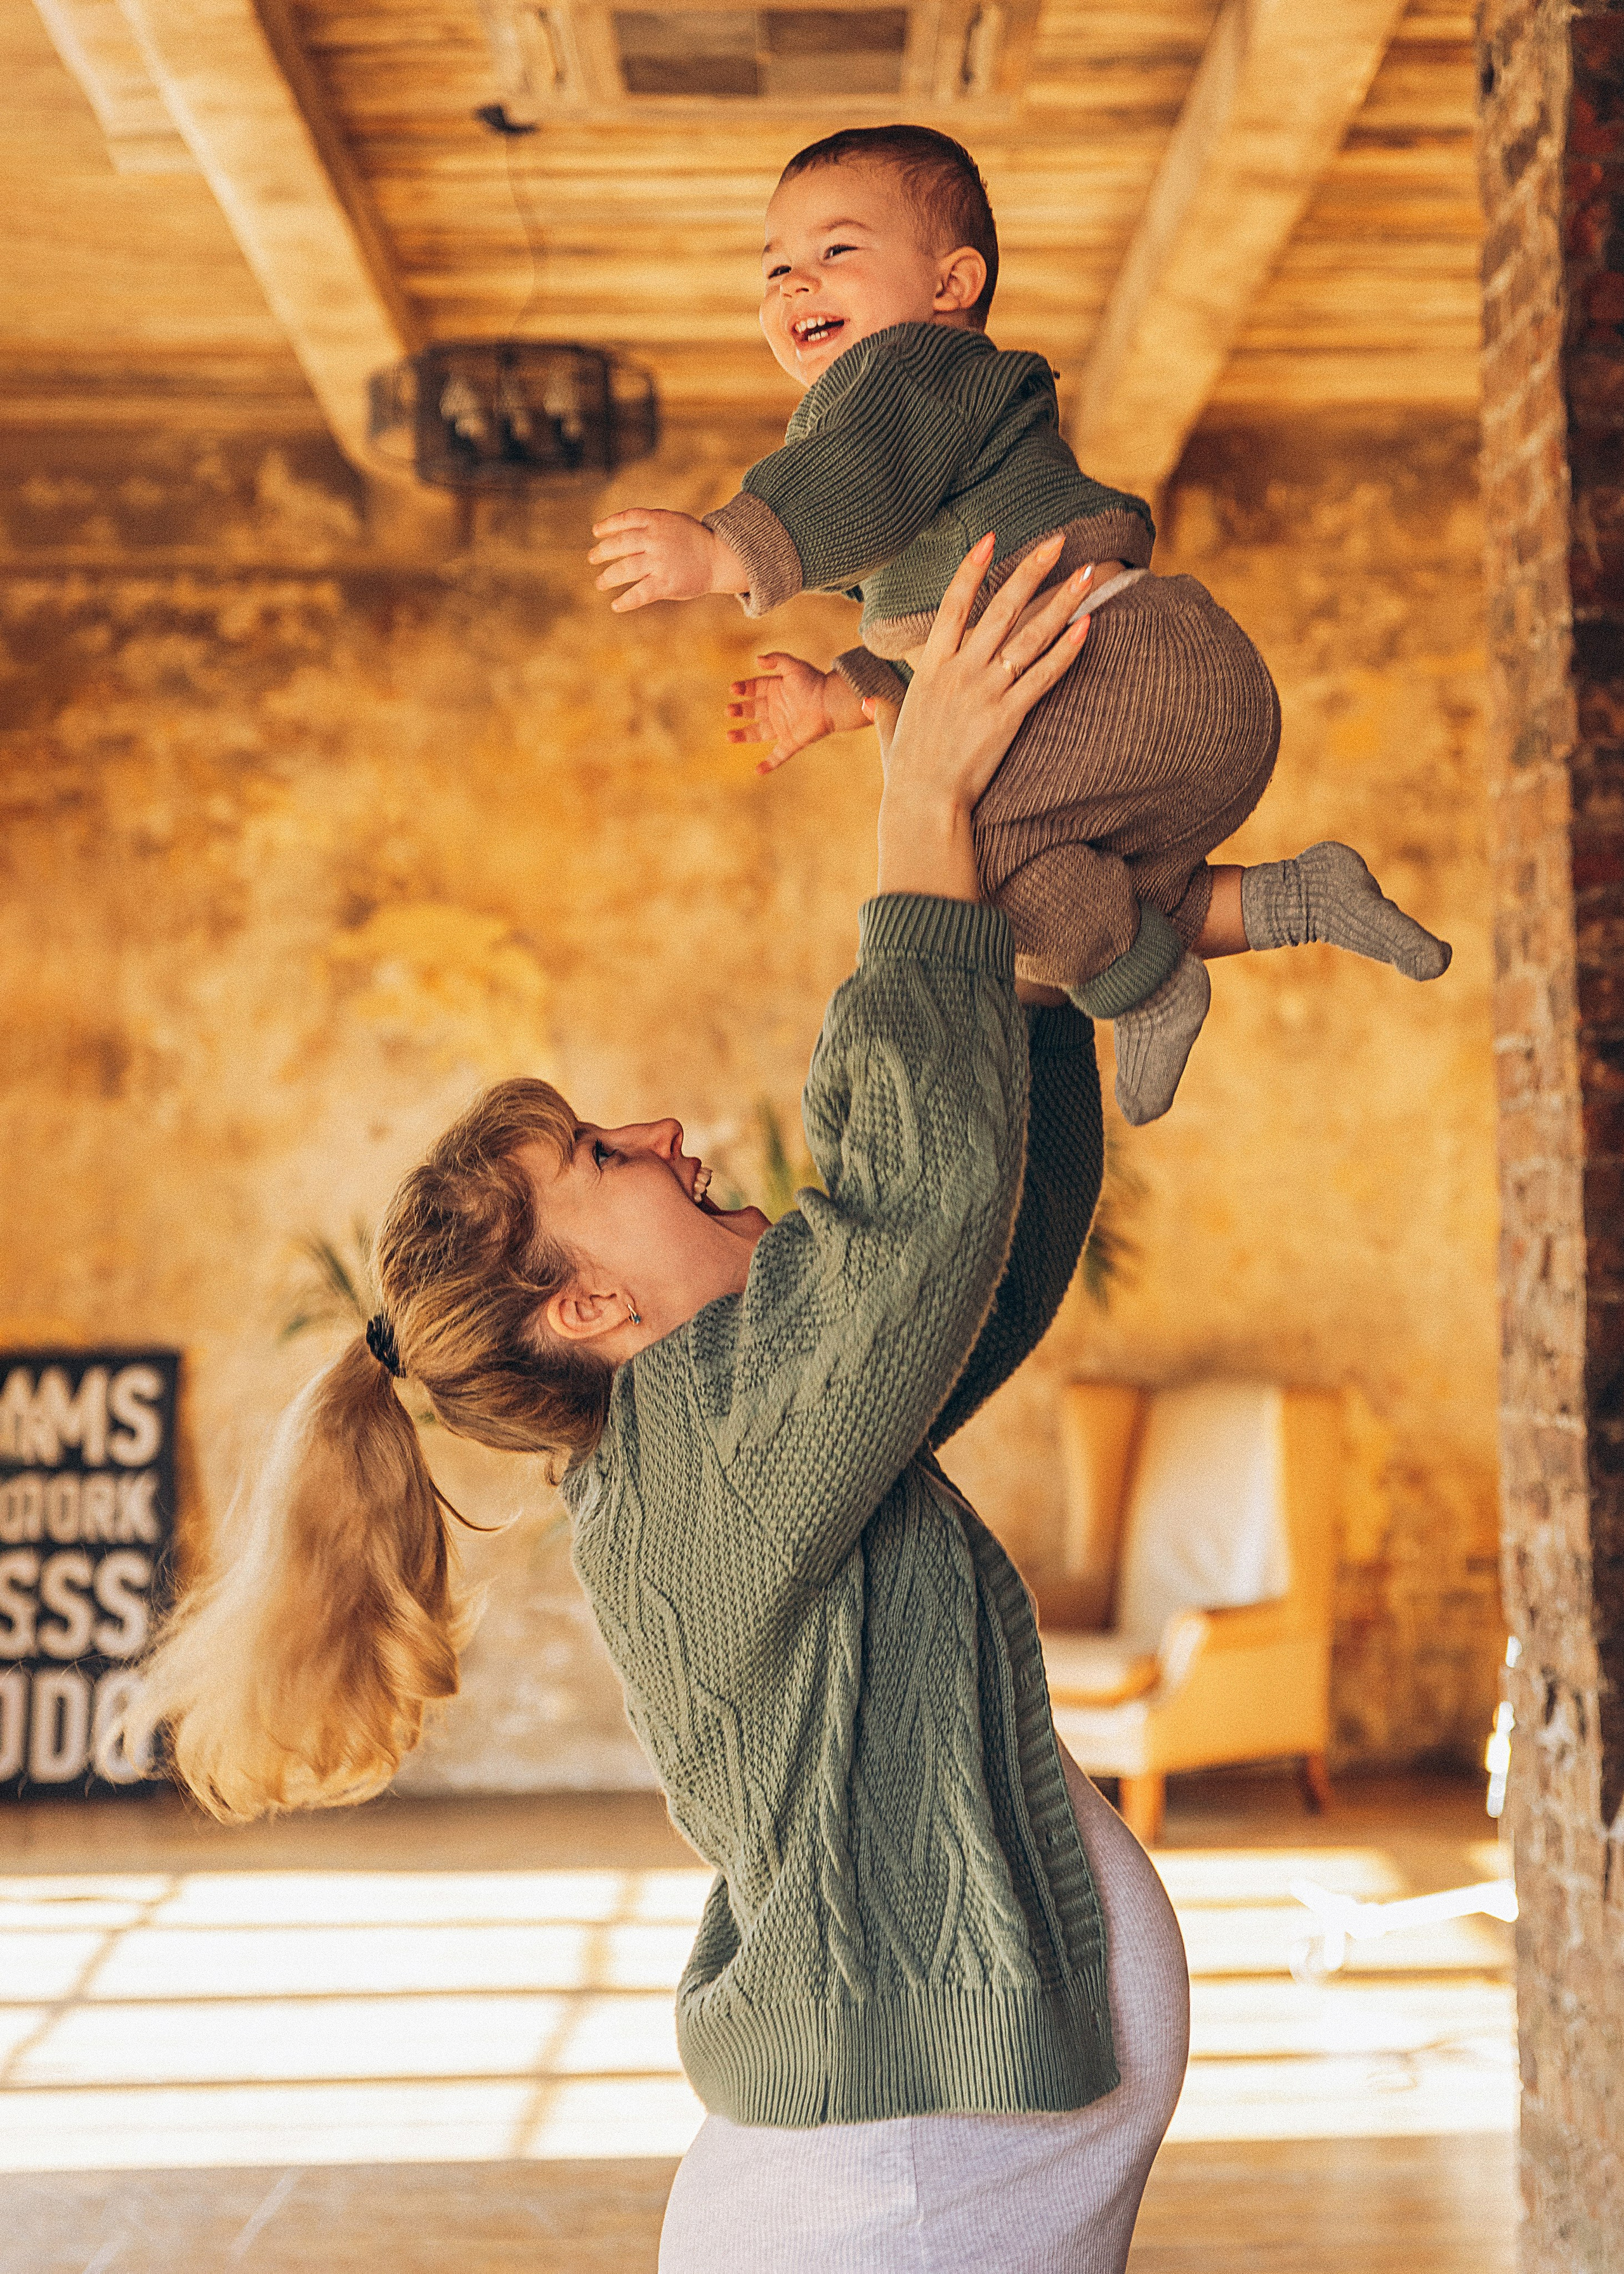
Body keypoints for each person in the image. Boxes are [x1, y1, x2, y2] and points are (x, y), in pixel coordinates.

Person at [128, 539, 1188, 2272]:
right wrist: (920, 816)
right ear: (591, 1304)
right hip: (884, 2212)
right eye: (604, 1159)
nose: (668, 1129)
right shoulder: (700, 1454)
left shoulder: (751, 1425)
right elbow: (912, 1225)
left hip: (910, 2191)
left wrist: (1031, 963)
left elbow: (973, 1272)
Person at [586, 122, 1451, 1126]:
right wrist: (836, 696)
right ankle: (1292, 900)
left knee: (964, 869)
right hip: (1154, 689)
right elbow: (939, 643)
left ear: (952, 284)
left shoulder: (907, 375)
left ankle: (1159, 989)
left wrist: (721, 549)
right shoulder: (947, 463)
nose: (792, 286)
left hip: (1113, 669)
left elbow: (851, 485)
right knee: (1076, 886)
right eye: (774, 267)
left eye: (834, 252)